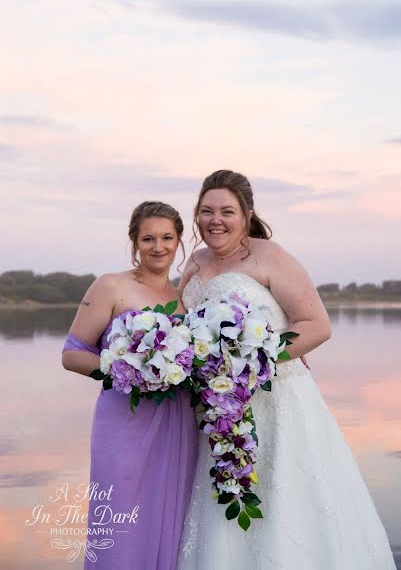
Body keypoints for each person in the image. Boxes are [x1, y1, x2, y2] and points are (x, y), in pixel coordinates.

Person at [177, 170, 396, 569]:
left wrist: (256, 356)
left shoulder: (270, 256)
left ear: (246, 214)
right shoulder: (194, 262)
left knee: (288, 499)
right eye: (206, 211)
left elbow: (316, 325)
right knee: (226, 498)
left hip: (279, 401)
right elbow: (186, 332)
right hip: (221, 409)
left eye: (227, 211)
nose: (215, 220)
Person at [62, 201, 198, 570]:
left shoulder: (185, 297)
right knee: (121, 515)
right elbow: (72, 354)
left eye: (168, 237)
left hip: (176, 421)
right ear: (134, 242)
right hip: (124, 419)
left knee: (171, 510)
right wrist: (125, 371)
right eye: (149, 238)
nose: (159, 247)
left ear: (180, 241)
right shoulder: (110, 286)